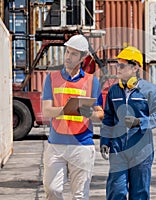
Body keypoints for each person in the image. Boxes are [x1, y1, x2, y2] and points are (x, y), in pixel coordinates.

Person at [100, 46, 156, 200]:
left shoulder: (150, 91)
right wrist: (105, 140)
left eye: (122, 65)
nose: (118, 68)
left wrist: (140, 122)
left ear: (135, 67)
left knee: (139, 194)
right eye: (117, 64)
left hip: (141, 151)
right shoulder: (113, 91)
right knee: (116, 191)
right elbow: (108, 118)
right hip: (118, 150)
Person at [41, 34, 104, 200]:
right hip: (56, 144)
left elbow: (101, 114)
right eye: (67, 52)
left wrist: (89, 114)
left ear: (83, 57)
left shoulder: (92, 81)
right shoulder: (52, 78)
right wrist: (67, 109)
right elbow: (46, 111)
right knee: (52, 190)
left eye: (74, 54)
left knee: (80, 196)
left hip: (82, 145)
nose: (68, 57)